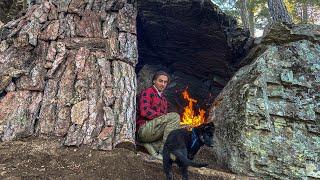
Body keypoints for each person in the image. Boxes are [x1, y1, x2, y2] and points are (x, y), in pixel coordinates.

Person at [136, 71, 181, 160]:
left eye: (165, 82)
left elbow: (165, 123)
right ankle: (164, 152)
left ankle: (149, 146)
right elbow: (144, 112)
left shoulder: (164, 100)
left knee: (175, 155)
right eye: (160, 81)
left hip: (155, 132)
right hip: (144, 129)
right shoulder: (148, 92)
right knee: (175, 116)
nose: (163, 84)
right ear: (154, 81)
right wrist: (162, 116)